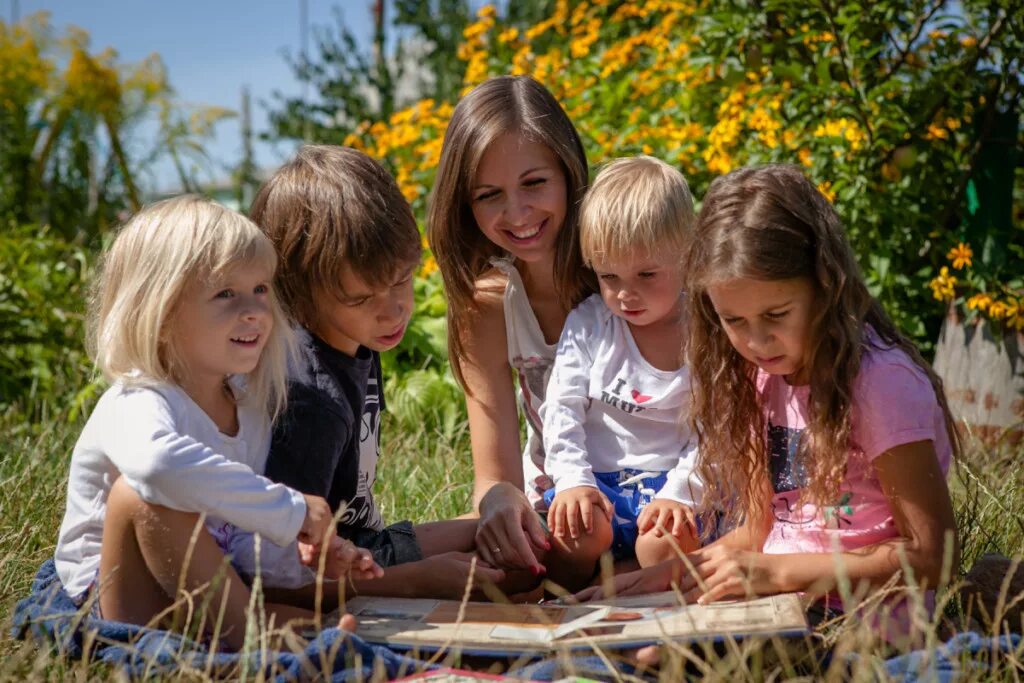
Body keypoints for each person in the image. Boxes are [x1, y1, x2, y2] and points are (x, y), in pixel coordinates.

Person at [579, 165, 959, 640]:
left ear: (825, 285)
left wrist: (775, 575)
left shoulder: (881, 383)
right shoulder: (760, 376)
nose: (757, 341)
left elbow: (932, 557)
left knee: (655, 658)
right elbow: (758, 533)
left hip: (864, 620)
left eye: (776, 315)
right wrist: (663, 578)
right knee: (617, 643)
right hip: (773, 604)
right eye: (733, 320)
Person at [53, 196, 375, 651]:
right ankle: (255, 643)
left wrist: (311, 556)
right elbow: (156, 469)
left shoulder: (247, 408)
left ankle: (252, 638)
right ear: (160, 313)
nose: (255, 311)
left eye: (261, 289)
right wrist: (290, 510)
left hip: (199, 593)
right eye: (226, 293)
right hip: (116, 604)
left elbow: (239, 535)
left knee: (341, 623)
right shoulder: (138, 399)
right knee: (141, 493)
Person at [248, 145, 512, 600]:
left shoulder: (354, 339)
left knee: (507, 533)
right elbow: (282, 577)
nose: (394, 311)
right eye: (361, 298)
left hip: (365, 547)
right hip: (338, 572)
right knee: (500, 571)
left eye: (402, 280)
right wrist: (414, 582)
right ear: (297, 289)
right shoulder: (310, 400)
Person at [427, 75, 595, 577]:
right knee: (460, 557)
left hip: (644, 497)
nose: (516, 212)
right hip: (550, 507)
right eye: (488, 194)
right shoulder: (486, 303)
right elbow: (494, 476)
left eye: (534, 183)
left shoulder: (623, 276)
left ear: (568, 172)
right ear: (465, 204)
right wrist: (500, 503)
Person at [541, 157, 703, 590]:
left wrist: (680, 491)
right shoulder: (593, 322)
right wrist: (574, 480)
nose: (626, 293)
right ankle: (557, 601)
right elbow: (561, 408)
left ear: (687, 256)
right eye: (609, 276)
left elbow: (715, 430)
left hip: (673, 485)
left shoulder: (705, 331)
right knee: (576, 529)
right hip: (598, 483)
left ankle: (639, 601)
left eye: (647, 274)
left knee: (662, 545)